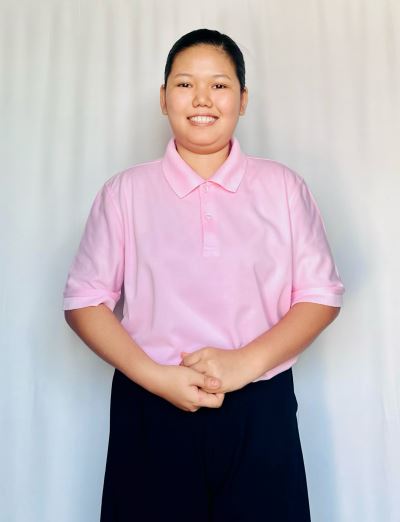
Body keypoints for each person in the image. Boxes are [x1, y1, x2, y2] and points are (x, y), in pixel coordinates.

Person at [63, 28, 345, 522]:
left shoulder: (282, 187)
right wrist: (156, 378)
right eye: (184, 84)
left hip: (260, 404)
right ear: (163, 97)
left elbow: (320, 294)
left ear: (243, 99)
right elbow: (84, 301)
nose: (201, 99)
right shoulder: (125, 192)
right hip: (151, 402)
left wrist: (243, 364)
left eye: (219, 85)